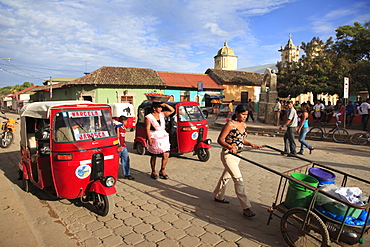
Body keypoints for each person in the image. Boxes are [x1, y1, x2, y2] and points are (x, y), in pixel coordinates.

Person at [213, 104, 262, 218]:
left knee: (226, 176)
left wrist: (252, 144)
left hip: (238, 155)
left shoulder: (243, 125)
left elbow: (241, 139)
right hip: (228, 155)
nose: (245, 116)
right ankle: (246, 208)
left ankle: (218, 196)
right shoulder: (230, 125)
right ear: (236, 113)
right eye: (243, 114)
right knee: (238, 180)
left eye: (246, 115)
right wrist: (230, 146)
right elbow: (220, 140)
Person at [145, 102, 175, 179]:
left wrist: (165, 105)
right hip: (154, 136)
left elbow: (172, 110)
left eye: (161, 107)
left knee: (166, 154)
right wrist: (149, 139)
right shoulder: (148, 117)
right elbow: (147, 128)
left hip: (163, 136)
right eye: (159, 107)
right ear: (154, 108)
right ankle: (153, 171)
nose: (160, 109)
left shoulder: (162, 114)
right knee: (154, 155)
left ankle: (162, 170)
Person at [117, 116, 135, 180]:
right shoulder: (118, 127)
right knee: (116, 161)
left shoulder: (124, 128)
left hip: (123, 146)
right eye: (126, 121)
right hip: (118, 146)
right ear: (123, 121)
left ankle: (127, 174)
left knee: (126, 159)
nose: (127, 122)